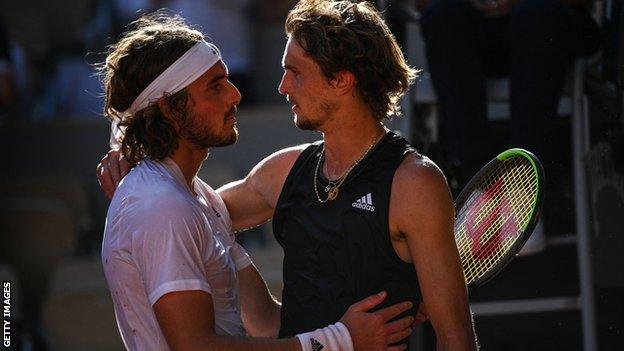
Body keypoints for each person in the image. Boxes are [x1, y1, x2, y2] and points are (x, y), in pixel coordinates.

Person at [98, 1, 478, 349]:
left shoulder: (415, 184)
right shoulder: (282, 172)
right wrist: (136, 159)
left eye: (295, 72)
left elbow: (456, 340)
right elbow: (185, 212)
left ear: (341, 80)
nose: (282, 87)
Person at [418, 0, 600, 189]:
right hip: (479, 33)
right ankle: (474, 181)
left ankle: (524, 174)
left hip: (545, 25)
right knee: (444, 15)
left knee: (537, 14)